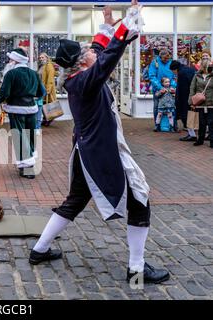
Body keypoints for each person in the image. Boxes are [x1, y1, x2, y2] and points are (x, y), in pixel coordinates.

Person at [28, 2, 170, 285]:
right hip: (101, 153)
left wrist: (107, 23)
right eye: (89, 53)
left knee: (76, 201)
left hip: (87, 151)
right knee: (139, 199)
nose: (94, 51)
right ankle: (136, 268)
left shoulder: (80, 76)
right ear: (82, 62)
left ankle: (39, 250)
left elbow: (100, 49)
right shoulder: (85, 81)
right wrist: (126, 27)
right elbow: (107, 58)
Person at [0, 48, 45, 179]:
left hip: (16, 109)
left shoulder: (11, 74)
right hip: (31, 109)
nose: (9, 61)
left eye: (11, 59)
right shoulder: (34, 73)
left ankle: (27, 168)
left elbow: (4, 92)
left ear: (15, 60)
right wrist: (33, 98)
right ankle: (30, 164)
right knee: (30, 134)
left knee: (19, 136)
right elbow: (41, 92)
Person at [188, 51, 213, 148]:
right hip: (200, 103)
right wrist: (191, 101)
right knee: (201, 123)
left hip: (211, 102)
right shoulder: (197, 75)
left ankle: (212, 141)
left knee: (211, 123)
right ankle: (200, 139)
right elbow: (192, 88)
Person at [148, 49, 177, 130]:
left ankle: (172, 125)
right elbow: (152, 76)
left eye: (167, 58)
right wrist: (160, 88)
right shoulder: (155, 63)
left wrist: (173, 86)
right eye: (164, 58)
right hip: (158, 90)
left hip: (170, 89)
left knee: (172, 108)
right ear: (160, 57)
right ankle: (157, 125)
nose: (166, 60)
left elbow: (175, 76)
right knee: (157, 107)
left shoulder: (171, 62)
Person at [169, 60, 197, 141]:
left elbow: (182, 89)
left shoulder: (181, 73)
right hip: (194, 96)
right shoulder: (190, 69)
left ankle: (192, 135)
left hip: (186, 99)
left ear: (175, 69)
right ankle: (194, 134)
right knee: (193, 116)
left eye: (173, 71)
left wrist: (178, 100)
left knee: (186, 116)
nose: (173, 73)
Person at [37, 53, 57, 127]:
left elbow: (50, 79)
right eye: (40, 58)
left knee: (47, 104)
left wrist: (47, 90)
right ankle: (46, 119)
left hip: (47, 89)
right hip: (41, 88)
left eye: (42, 57)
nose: (41, 59)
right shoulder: (42, 66)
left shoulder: (49, 66)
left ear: (46, 57)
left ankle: (49, 118)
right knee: (43, 104)